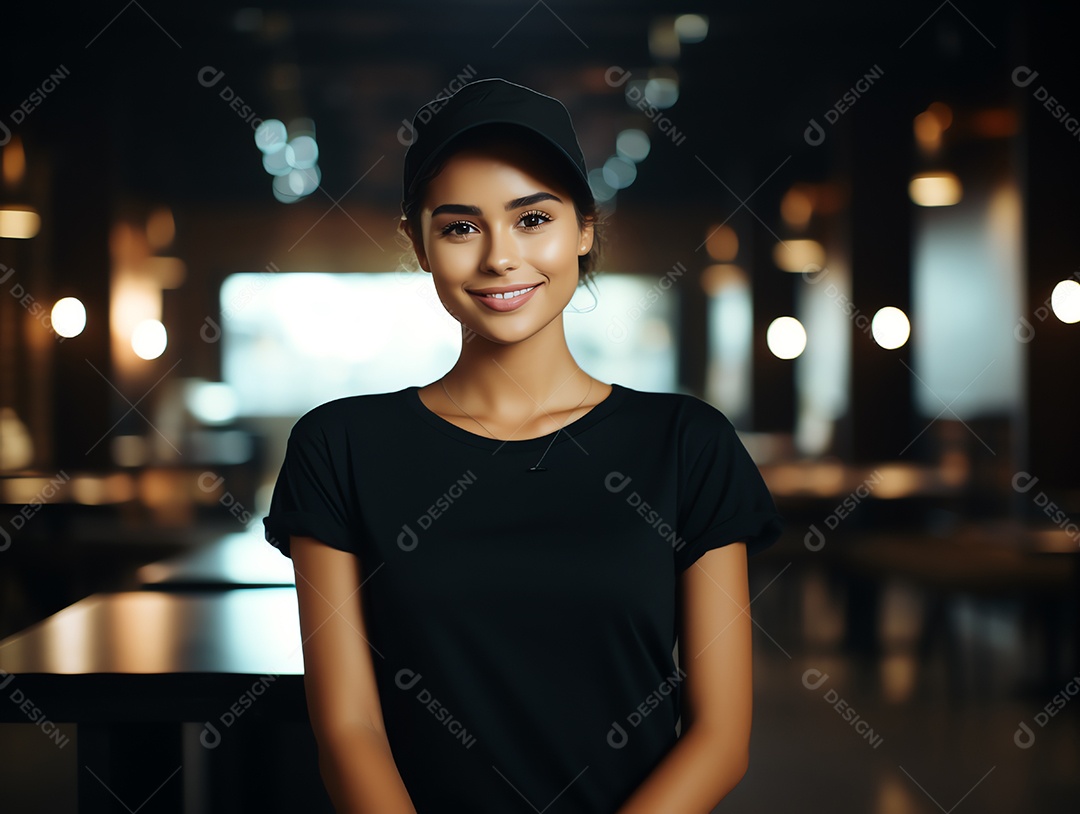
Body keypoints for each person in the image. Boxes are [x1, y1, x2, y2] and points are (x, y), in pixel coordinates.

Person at [263, 77, 784, 814]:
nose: (501, 258)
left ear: (584, 229)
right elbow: (349, 730)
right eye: (461, 227)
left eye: (532, 218)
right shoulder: (339, 446)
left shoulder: (685, 444)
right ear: (418, 245)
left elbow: (721, 736)